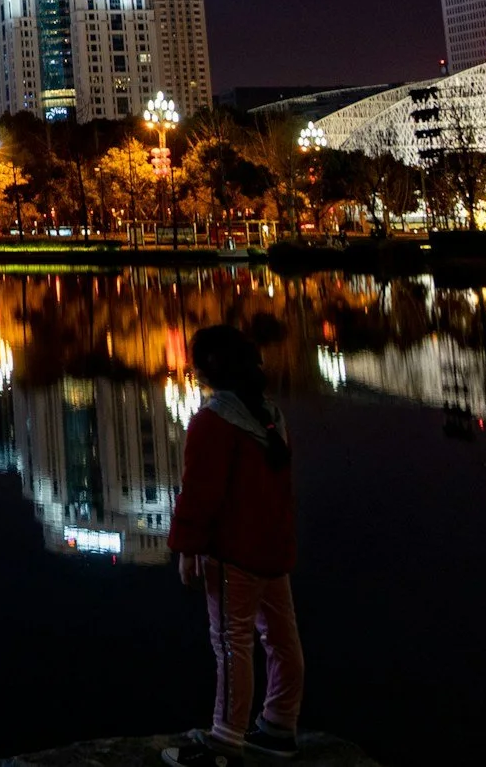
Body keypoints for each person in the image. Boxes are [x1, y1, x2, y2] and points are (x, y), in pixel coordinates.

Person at [161, 323, 304, 766]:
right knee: (281, 639)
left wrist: (188, 548)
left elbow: (200, 492)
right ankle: (279, 725)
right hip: (273, 548)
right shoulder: (270, 417)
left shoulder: (214, 422)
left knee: (230, 639)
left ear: (206, 369)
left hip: (233, 551)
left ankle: (225, 742)